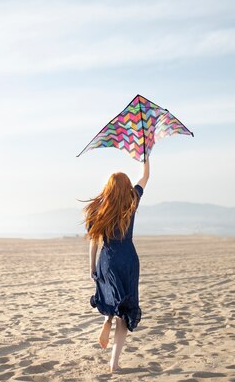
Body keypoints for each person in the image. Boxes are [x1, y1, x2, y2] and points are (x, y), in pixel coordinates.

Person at [84, 157, 150, 373]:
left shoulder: (100, 210)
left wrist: (92, 266)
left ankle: (106, 318)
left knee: (110, 297)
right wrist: (145, 158)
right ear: (126, 188)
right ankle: (114, 363)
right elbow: (145, 177)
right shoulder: (131, 201)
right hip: (128, 258)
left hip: (107, 258)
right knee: (125, 308)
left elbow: (94, 241)